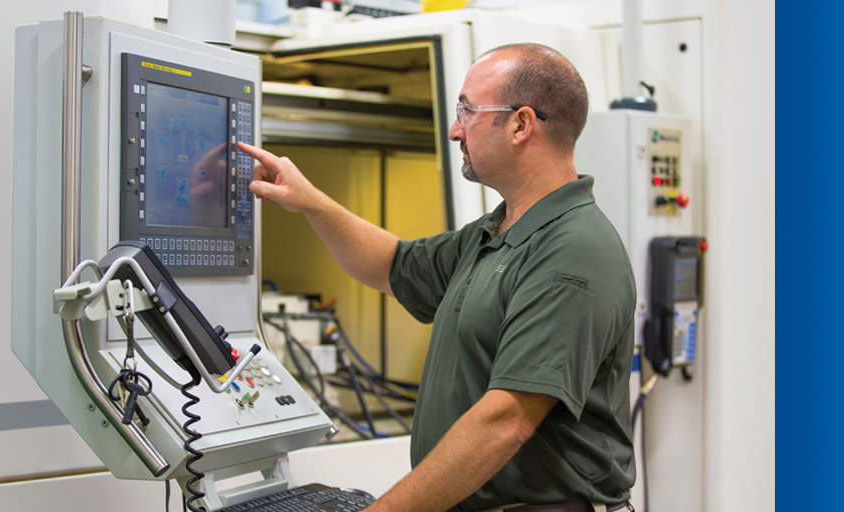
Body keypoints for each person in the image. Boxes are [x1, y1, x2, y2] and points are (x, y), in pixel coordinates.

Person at [236, 43, 636, 512]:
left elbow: (506, 420)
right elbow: (392, 264)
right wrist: (307, 200)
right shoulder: (496, 232)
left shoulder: (573, 250)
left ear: (521, 124)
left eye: (467, 111)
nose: (454, 129)